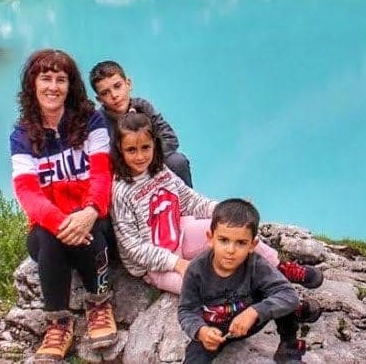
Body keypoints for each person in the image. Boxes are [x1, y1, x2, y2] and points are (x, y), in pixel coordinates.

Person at [110, 112, 323, 296]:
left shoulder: (160, 171)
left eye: (145, 147)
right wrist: (177, 264)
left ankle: (280, 267)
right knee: (203, 286)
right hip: (156, 264)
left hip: (181, 234)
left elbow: (189, 200)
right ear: (120, 150)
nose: (140, 156)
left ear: (154, 145)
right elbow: (133, 247)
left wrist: (226, 210)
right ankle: (273, 296)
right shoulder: (121, 191)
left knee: (235, 229)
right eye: (131, 150)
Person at [10, 49, 118, 362]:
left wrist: (89, 212)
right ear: (33, 84)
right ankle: (58, 322)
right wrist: (62, 223)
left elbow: (101, 174)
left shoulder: (91, 121)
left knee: (93, 232)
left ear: (71, 86)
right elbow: (27, 192)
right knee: (47, 236)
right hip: (51, 227)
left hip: (92, 217)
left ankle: (98, 302)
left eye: (61, 79)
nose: (53, 87)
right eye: (46, 78)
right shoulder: (22, 135)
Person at [178, 198, 321, 364]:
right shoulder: (196, 270)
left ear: (253, 245)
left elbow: (288, 294)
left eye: (241, 243)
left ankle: (289, 347)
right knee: (194, 358)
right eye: (223, 240)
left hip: (252, 320)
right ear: (210, 238)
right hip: (215, 330)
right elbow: (187, 310)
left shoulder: (256, 265)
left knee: (279, 296)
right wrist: (201, 331)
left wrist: (254, 312)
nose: (230, 250)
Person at [89, 60, 193, 187]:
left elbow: (169, 138)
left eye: (117, 86)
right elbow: (101, 161)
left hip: (152, 164)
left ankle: (187, 204)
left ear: (128, 84)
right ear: (99, 100)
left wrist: (146, 161)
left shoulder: (143, 107)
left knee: (177, 161)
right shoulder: (98, 123)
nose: (114, 95)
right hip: (123, 176)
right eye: (105, 93)